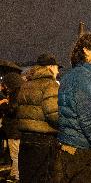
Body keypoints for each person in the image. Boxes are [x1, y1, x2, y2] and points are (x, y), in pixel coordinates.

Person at [54, 32, 91, 182]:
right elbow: (90, 121)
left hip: (68, 145)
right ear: (86, 50)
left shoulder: (69, 75)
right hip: (82, 150)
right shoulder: (86, 78)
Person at [17, 53, 60, 183]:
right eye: (58, 68)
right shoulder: (50, 84)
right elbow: (54, 114)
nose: (58, 71)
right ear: (51, 67)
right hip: (44, 141)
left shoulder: (26, 84)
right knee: (44, 177)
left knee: (28, 176)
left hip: (25, 139)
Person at [1, 73, 24, 182]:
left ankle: (16, 175)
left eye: (5, 84)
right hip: (16, 128)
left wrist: (3, 104)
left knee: (14, 154)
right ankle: (14, 173)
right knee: (15, 153)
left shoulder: (15, 93)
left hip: (14, 129)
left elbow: (12, 109)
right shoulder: (20, 91)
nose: (4, 86)